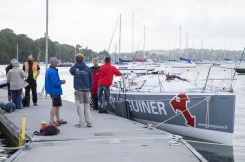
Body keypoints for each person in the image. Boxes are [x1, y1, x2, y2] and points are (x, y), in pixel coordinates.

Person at [70, 54, 93, 128]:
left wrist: (75, 64)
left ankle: (82, 123)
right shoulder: (87, 68)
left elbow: (71, 71)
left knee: (80, 106)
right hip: (87, 89)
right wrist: (90, 87)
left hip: (79, 90)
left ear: (76, 59)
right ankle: (89, 122)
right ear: (83, 59)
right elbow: (91, 79)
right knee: (87, 106)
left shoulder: (75, 68)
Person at [45, 57, 67, 126]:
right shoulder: (53, 71)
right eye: (56, 62)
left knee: (57, 105)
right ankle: (51, 121)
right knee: (55, 106)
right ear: (53, 63)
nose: (58, 63)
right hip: (54, 91)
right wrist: (61, 82)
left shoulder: (49, 70)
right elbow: (54, 83)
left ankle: (58, 119)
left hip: (52, 90)